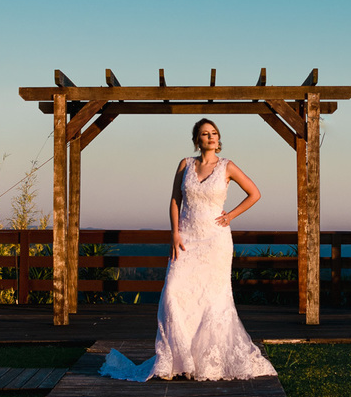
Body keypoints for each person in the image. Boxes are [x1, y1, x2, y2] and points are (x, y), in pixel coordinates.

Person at [99, 118, 278, 381]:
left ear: (219, 138)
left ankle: (208, 362)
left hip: (215, 241)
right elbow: (175, 200)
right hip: (186, 238)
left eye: (214, 133)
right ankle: (174, 359)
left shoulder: (227, 166)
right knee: (173, 291)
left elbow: (255, 193)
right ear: (197, 139)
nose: (211, 137)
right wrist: (174, 233)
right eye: (205, 134)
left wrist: (231, 216)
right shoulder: (185, 164)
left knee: (213, 300)